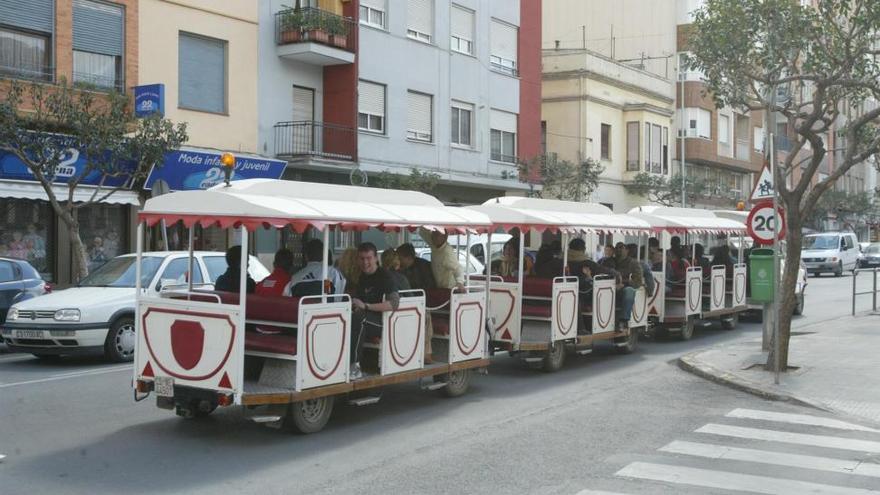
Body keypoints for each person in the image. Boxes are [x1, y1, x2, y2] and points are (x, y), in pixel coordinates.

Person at [350, 242, 400, 378]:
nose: (365, 262)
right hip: (366, 316)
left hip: (383, 321)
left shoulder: (386, 277)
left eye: (368, 258)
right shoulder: (361, 276)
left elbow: (394, 304)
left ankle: (354, 365)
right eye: (362, 258)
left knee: (358, 319)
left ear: (376, 258)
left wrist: (366, 306)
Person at [397, 243, 436, 364]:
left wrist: (417, 299)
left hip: (421, 301)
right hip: (406, 301)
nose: (398, 260)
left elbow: (429, 287)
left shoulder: (423, 266)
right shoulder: (399, 270)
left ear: (408, 257)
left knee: (426, 316)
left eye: (400, 258)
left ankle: (426, 353)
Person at [606, 242, 644, 328]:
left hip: (623, 288)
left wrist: (624, 283)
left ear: (627, 250)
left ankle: (624, 320)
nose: (618, 250)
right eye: (617, 248)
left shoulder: (633, 263)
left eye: (621, 248)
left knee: (629, 291)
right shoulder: (610, 261)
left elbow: (638, 282)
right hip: (608, 287)